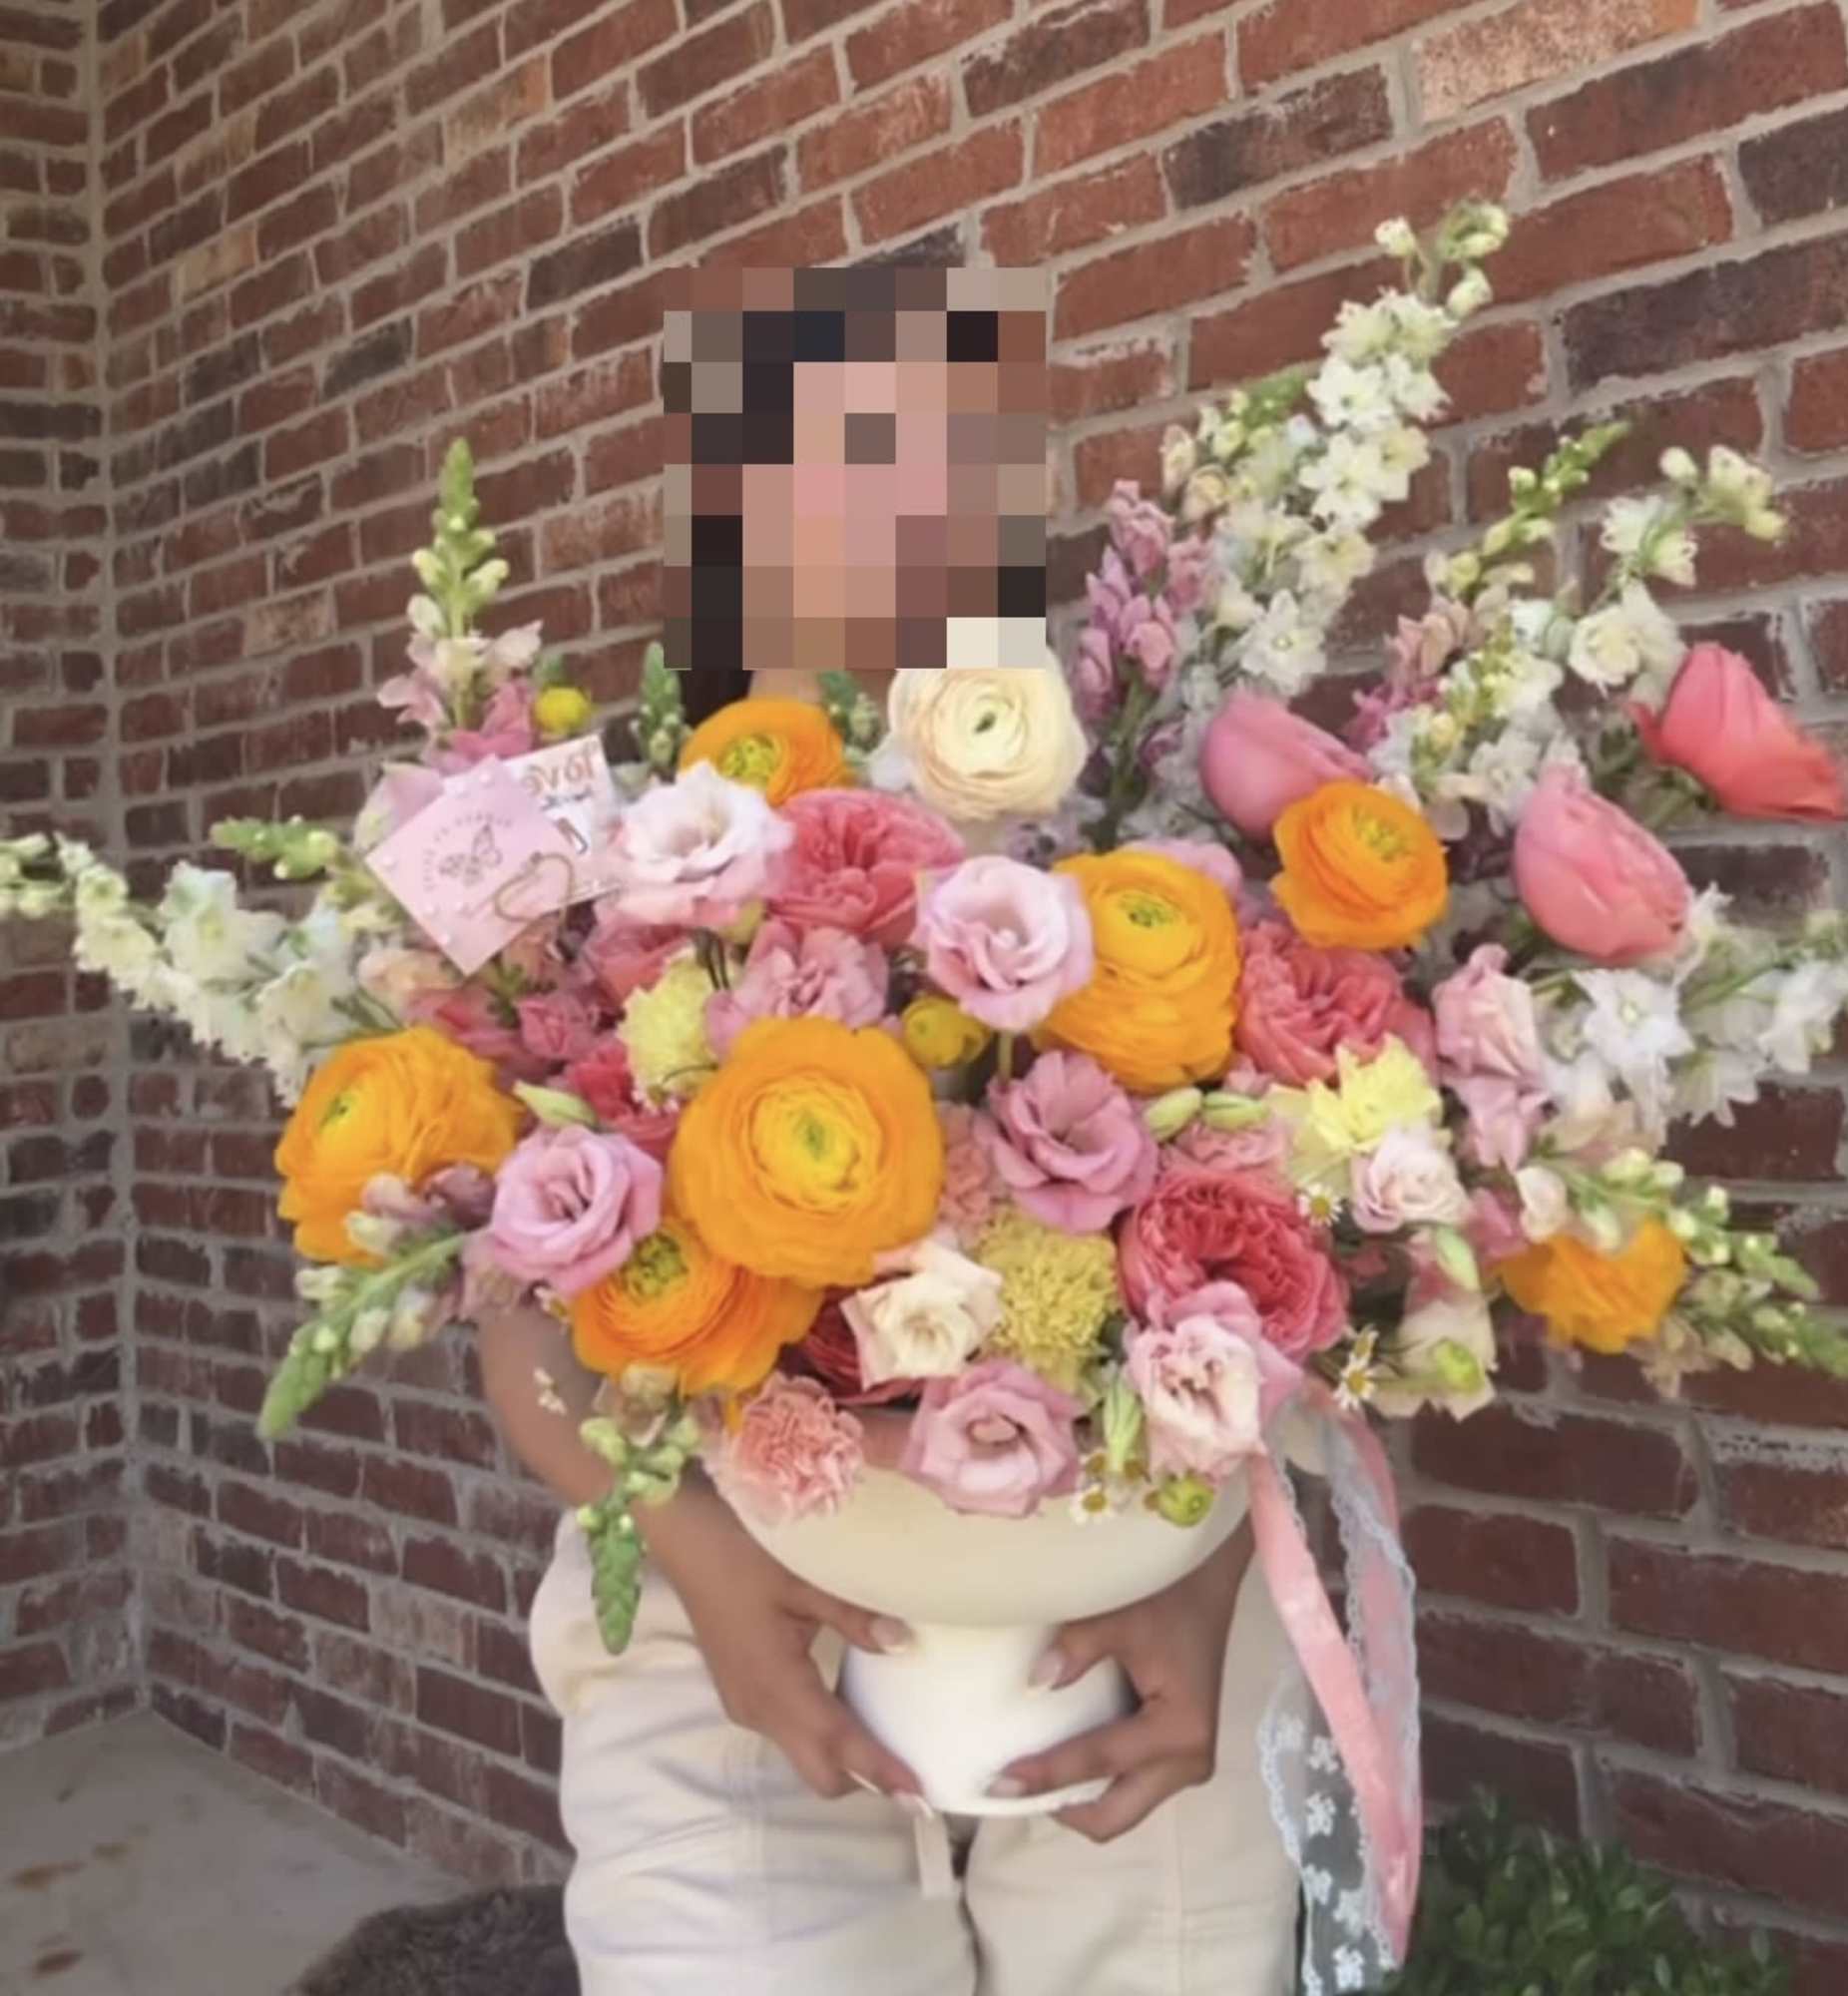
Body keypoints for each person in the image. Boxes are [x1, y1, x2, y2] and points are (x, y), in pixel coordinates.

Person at [478, 275, 1300, 1996]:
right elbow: (514, 1313)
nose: (872, 558)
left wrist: (1209, 1590)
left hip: (1121, 1634)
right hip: (720, 1640)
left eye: (927, 497)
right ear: (730, 550)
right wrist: (710, 1585)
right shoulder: (587, 864)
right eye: (812, 499)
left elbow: (1355, 1287)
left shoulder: (1141, 857)